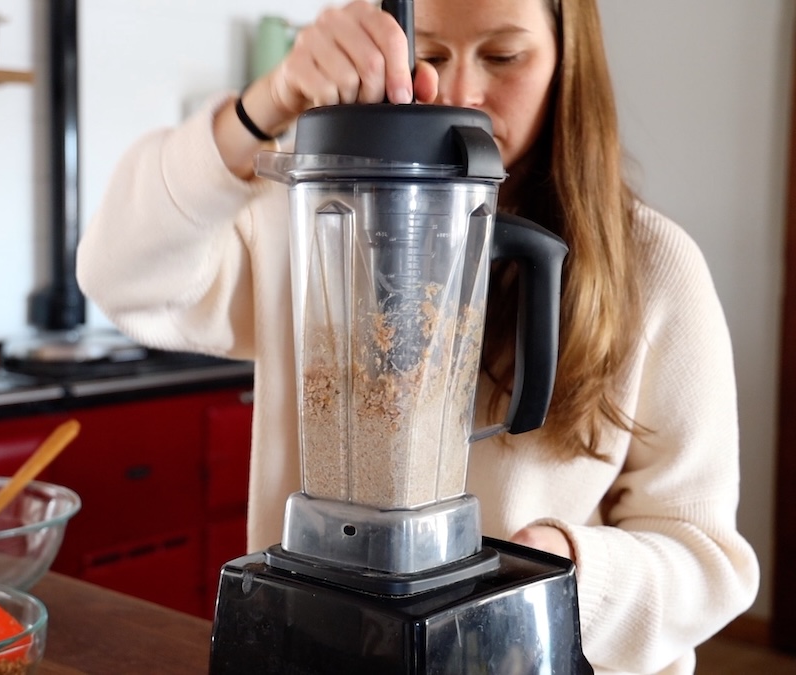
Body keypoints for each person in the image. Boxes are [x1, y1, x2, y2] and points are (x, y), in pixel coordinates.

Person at [76, 0, 760, 672]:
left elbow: (706, 558)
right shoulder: (316, 230)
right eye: (427, 56)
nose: (461, 90)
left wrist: (566, 567)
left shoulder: (653, 267)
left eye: (503, 56)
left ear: (565, 61)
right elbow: (120, 276)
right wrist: (265, 105)